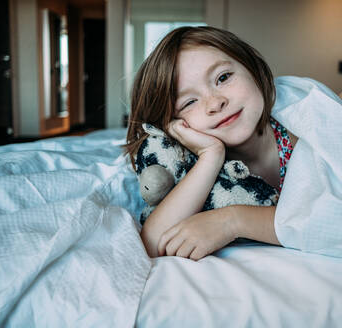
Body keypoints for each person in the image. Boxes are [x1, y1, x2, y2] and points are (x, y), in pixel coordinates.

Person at [125, 26, 295, 259]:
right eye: (189, 102)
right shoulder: (193, 161)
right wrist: (210, 157)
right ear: (172, 125)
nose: (215, 103)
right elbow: (152, 243)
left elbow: (331, 221)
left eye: (223, 78)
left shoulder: (301, 134)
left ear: (252, 67)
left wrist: (233, 221)